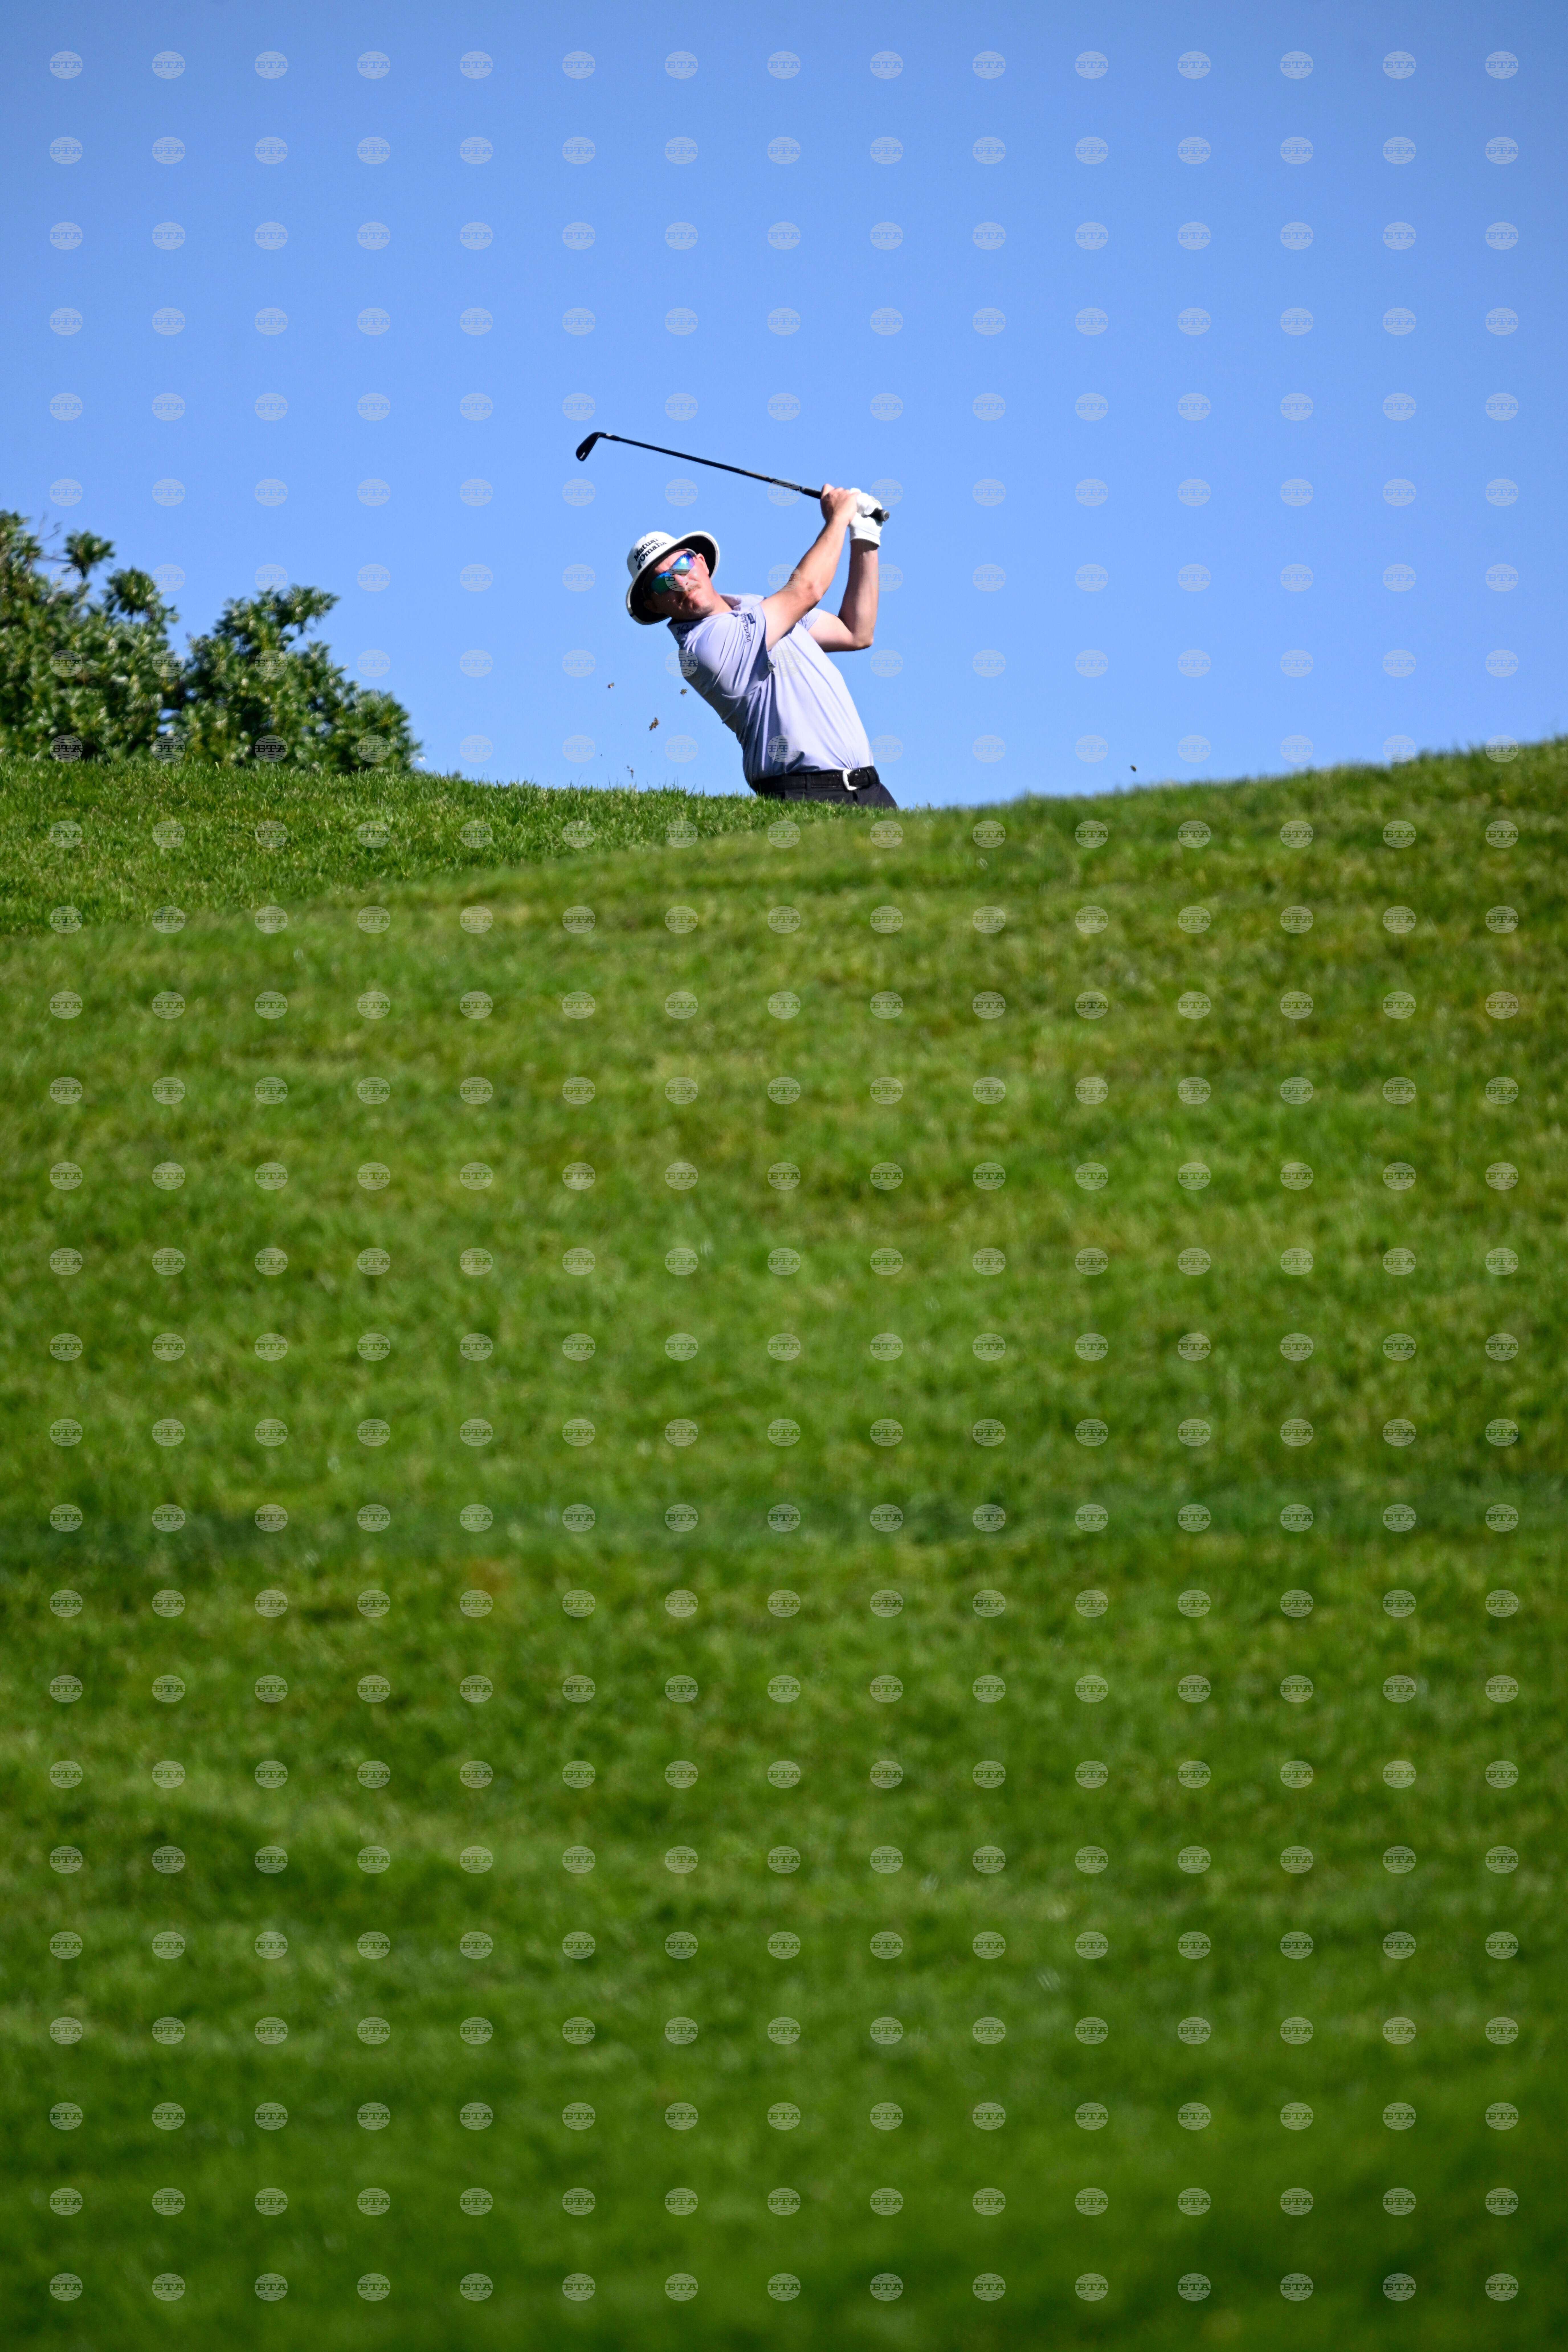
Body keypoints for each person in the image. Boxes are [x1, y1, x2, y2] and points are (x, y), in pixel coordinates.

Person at [623, 484, 896, 807]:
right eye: (661, 582)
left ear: (701, 562)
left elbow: (856, 632)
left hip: (870, 788)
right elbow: (806, 590)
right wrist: (838, 518)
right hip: (803, 794)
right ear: (654, 606)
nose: (680, 581)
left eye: (681, 565)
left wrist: (864, 535)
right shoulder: (702, 648)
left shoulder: (755, 607)